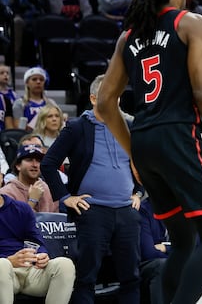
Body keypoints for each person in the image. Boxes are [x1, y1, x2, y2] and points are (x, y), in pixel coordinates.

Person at [94, 0, 202, 304]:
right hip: (180, 136)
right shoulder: (190, 22)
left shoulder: (127, 37)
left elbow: (105, 103)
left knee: (183, 241)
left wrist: (133, 151)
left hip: (145, 141)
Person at [41, 75, 142, 304]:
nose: (114, 101)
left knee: (131, 277)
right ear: (94, 98)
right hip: (93, 210)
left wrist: (138, 192)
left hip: (127, 211)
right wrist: (65, 197)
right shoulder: (77, 127)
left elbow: (144, 164)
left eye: (117, 96)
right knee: (86, 277)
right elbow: (48, 164)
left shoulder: (130, 126)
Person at [0, 192, 75, 303]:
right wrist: (9, 260)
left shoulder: (21, 208)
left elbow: (35, 240)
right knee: (2, 264)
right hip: (5, 271)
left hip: (30, 269)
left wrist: (41, 254)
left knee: (65, 264)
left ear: (1, 178)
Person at [0, 144, 58, 212]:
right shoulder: (6, 193)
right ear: (18, 166)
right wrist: (32, 201)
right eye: (29, 160)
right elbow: (11, 222)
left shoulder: (50, 190)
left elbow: (57, 220)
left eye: (38, 160)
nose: (35, 165)